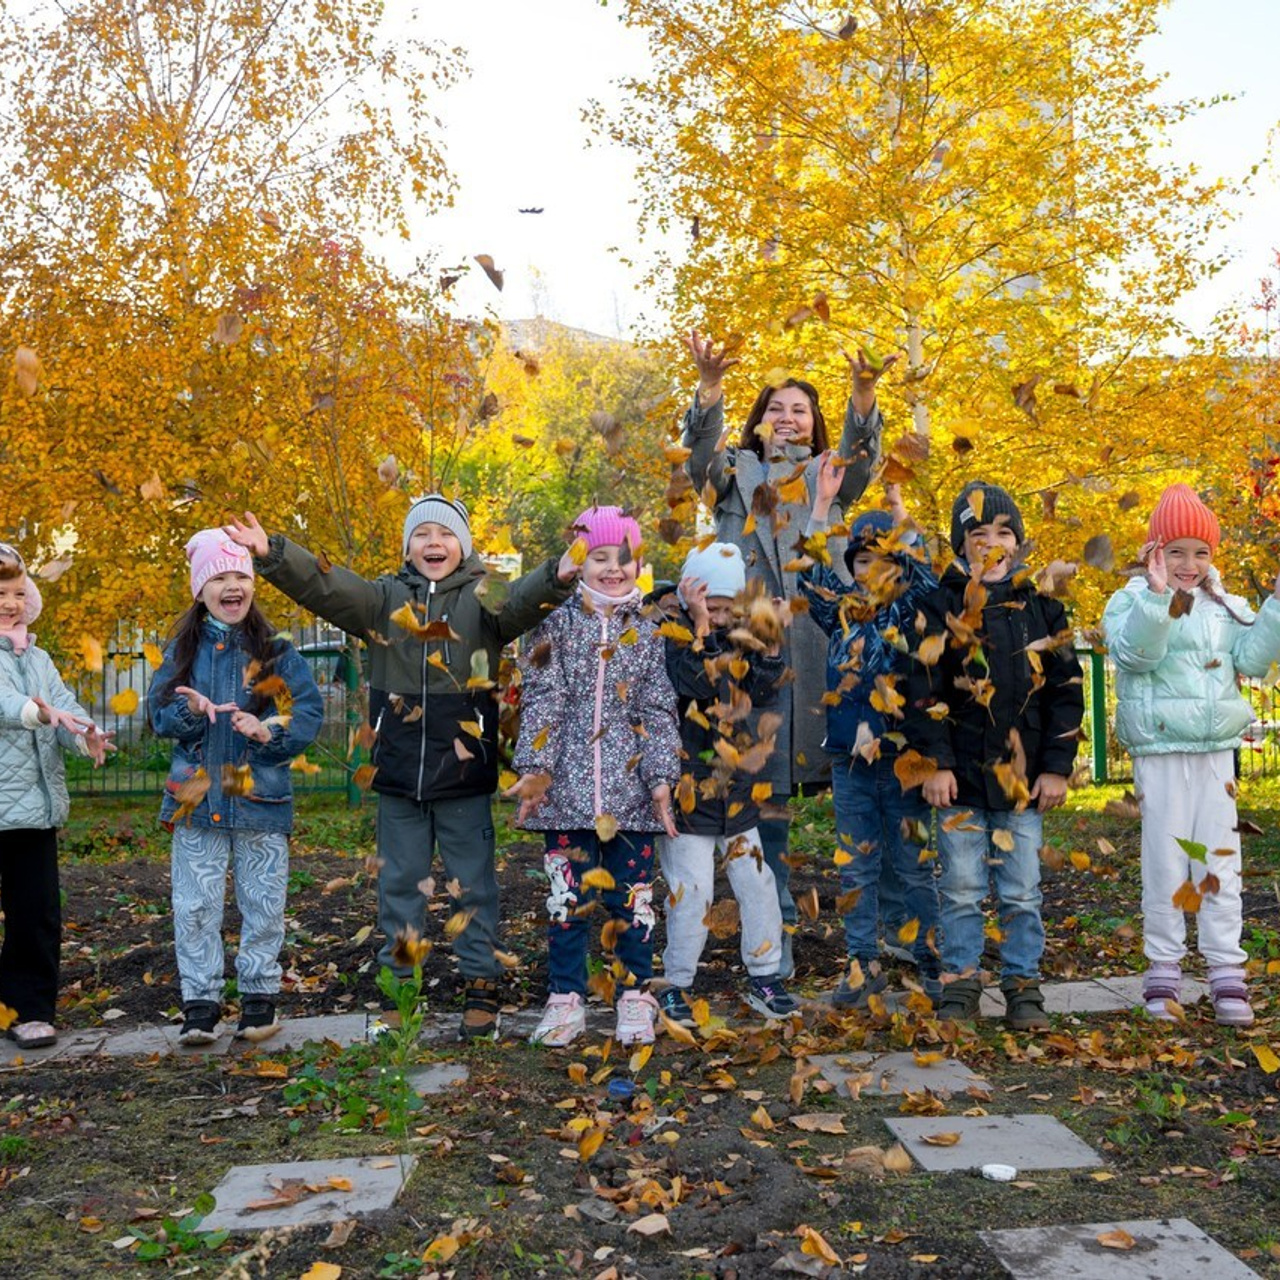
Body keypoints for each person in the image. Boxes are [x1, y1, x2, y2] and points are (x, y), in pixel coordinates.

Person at [225, 497, 577, 1041]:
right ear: (407, 547)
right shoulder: (383, 597)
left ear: (464, 545)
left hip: (464, 775)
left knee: (472, 886)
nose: (433, 543)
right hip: (398, 774)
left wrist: (556, 573)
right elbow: (327, 586)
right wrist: (274, 553)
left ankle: (481, 984)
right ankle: (400, 986)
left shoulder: (485, 593)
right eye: (422, 535)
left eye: (444, 534)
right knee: (399, 887)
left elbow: (525, 602)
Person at [682, 332, 892, 976]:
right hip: (749, 660)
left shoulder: (830, 472)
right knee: (762, 798)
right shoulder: (733, 473)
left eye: (799, 408)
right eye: (776, 407)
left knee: (856, 799)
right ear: (758, 419)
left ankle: (878, 931)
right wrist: (710, 389)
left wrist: (863, 394)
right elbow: (697, 462)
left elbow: (861, 459)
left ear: (815, 422)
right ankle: (776, 931)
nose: (787, 417)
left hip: (817, 649)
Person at [903, 483, 1083, 1030]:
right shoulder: (939, 605)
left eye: (1003, 533)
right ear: (962, 546)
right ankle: (959, 982)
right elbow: (922, 689)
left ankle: (1023, 985)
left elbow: (1067, 691)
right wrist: (935, 764)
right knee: (959, 887)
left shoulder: (1044, 609)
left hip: (1025, 779)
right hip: (959, 778)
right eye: (978, 535)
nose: (992, 544)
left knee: (1022, 888)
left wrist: (1055, 766)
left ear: (1020, 543)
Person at [1102, 483, 1280, 1026]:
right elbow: (1135, 654)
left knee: (1219, 859)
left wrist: (1274, 607)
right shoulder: (1132, 600)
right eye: (1175, 551)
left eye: (1200, 552)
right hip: (1160, 750)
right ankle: (1165, 968)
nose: (1188, 563)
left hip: (1214, 753)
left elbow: (1251, 661)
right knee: (1167, 859)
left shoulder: (1226, 604)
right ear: (1154, 551)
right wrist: (1159, 598)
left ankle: (1227, 969)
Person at [508, 506, 680, 1048]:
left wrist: (660, 779)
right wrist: (536, 770)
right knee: (566, 900)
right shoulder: (554, 625)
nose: (612, 568)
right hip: (566, 797)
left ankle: (635, 994)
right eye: (599, 557)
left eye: (622, 558)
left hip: (630, 800)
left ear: (638, 564)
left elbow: (657, 710)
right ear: (579, 564)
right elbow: (542, 699)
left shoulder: (648, 635)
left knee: (633, 900)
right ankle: (566, 997)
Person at [149, 531, 323, 1046]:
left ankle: (258, 1001)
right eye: (219, 576)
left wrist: (268, 730)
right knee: (195, 904)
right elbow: (157, 715)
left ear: (252, 585)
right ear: (200, 588)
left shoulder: (276, 652)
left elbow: (309, 710)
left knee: (263, 901)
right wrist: (190, 710)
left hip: (255, 793)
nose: (231, 585)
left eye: (240, 576)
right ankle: (200, 1005)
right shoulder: (181, 650)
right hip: (198, 796)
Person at [798, 467, 940, 1009]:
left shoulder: (910, 609)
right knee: (855, 862)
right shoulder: (841, 613)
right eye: (862, 561)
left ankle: (931, 959)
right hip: (849, 763)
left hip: (902, 760)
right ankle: (863, 963)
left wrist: (902, 515)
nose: (871, 571)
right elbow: (807, 573)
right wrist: (820, 506)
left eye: (883, 561)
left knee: (910, 862)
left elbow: (928, 573)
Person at [657, 542, 798, 1024]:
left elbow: (762, 690)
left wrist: (772, 643)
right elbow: (697, 684)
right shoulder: (674, 634)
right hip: (687, 792)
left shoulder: (740, 635)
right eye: (708, 608)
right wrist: (698, 626)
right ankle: (676, 982)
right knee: (692, 890)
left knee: (757, 882)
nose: (716, 617)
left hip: (734, 789)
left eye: (724, 609)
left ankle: (765, 973)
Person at [0, 545, 113, 1049]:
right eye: (1, 593)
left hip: (30, 810)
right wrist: (37, 712)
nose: (11, 602)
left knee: (37, 912)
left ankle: (28, 1009)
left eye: (19, 592)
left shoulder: (39, 658)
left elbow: (62, 706)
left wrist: (84, 731)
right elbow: (7, 704)